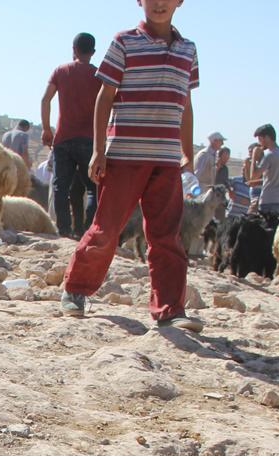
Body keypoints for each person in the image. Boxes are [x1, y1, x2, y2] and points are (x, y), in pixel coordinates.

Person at [59, 0, 201, 333]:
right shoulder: (124, 42)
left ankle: (170, 309)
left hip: (166, 158)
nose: (159, 3)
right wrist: (98, 150)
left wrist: (187, 152)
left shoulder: (188, 50)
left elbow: (186, 104)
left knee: (166, 236)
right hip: (124, 154)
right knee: (107, 228)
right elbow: (104, 97)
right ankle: (75, 289)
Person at [41, 32, 102, 239]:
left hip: (64, 138)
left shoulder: (61, 71)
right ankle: (87, 230)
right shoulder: (99, 75)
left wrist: (46, 129)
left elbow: (45, 99)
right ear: (93, 52)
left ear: (73, 49)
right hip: (90, 140)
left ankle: (64, 229)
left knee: (61, 186)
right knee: (93, 188)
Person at [249, 124, 279, 215]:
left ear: (267, 137)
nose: (259, 142)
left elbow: (253, 176)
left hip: (268, 201)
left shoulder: (269, 155)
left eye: (260, 139)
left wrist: (254, 156)